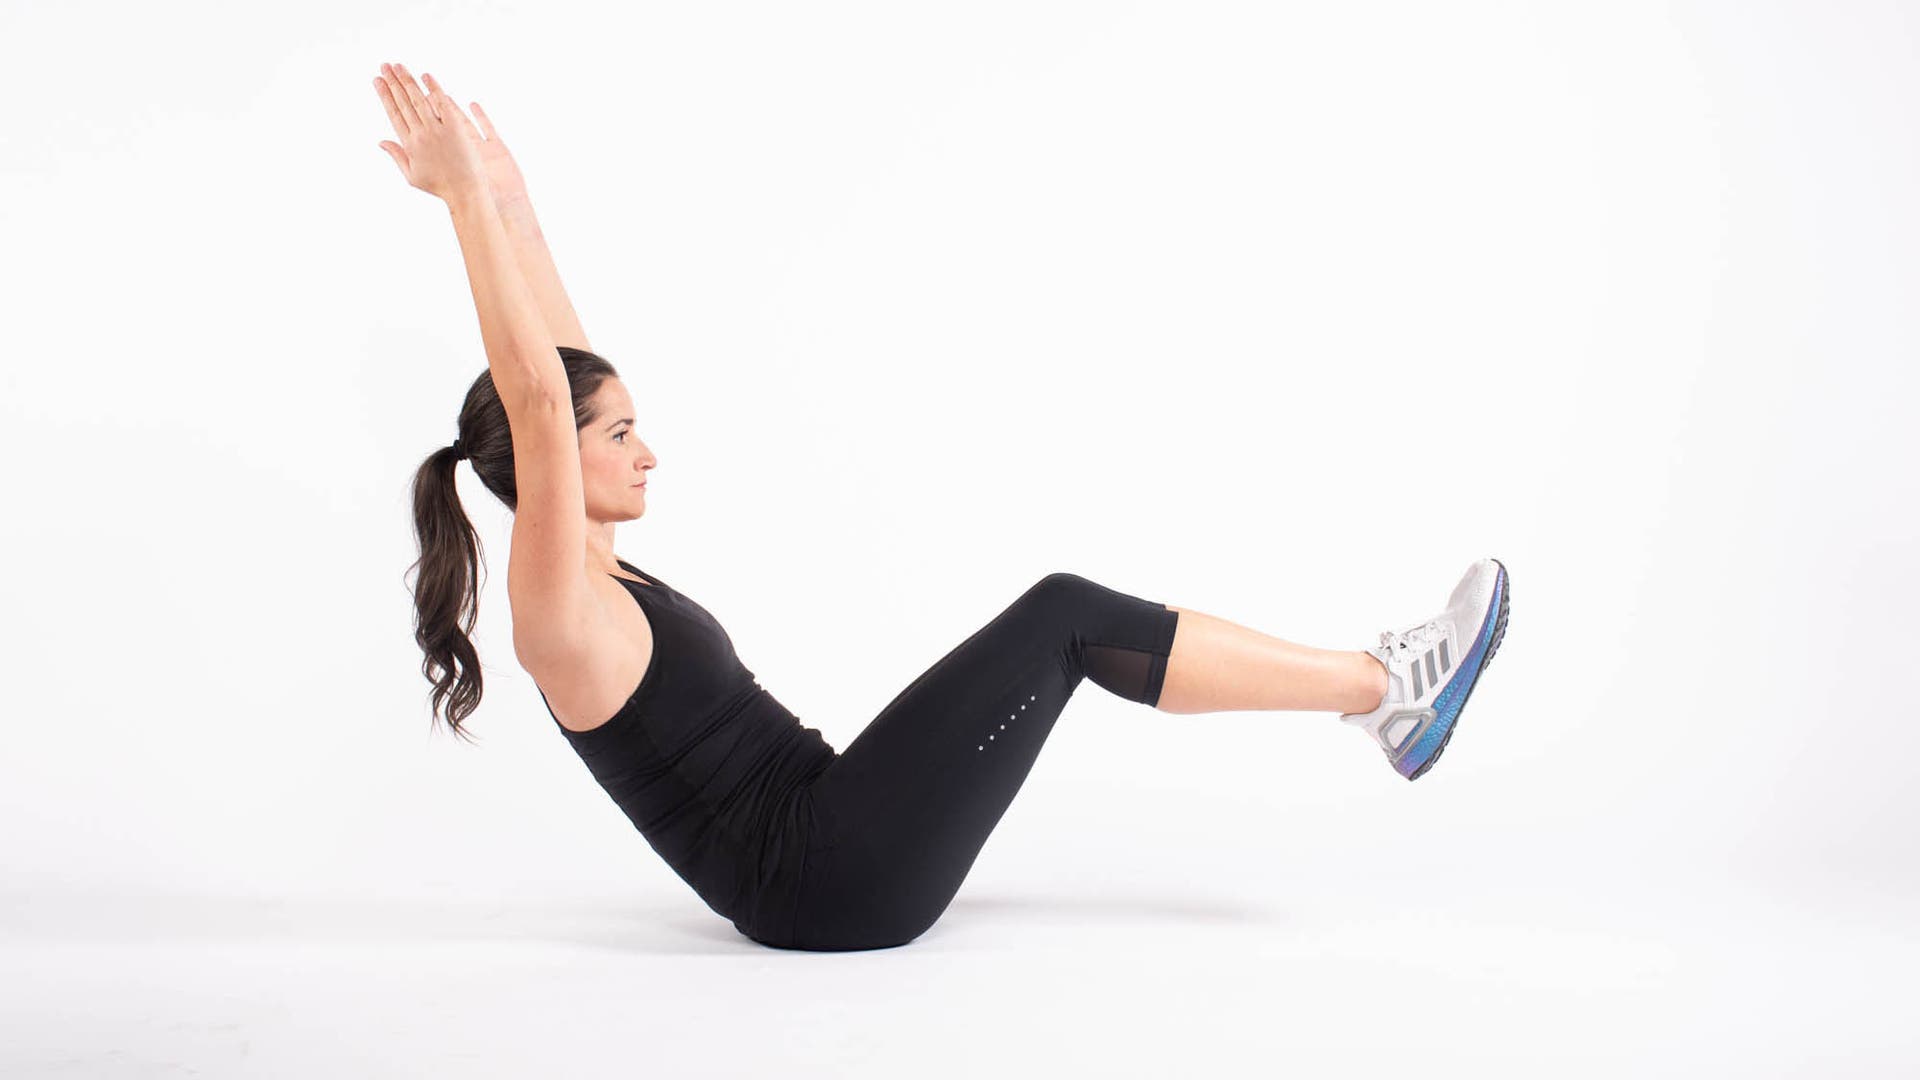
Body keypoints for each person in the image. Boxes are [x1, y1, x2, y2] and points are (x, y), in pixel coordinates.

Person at [375, 62, 1512, 950]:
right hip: (828, 883)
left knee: (1067, 618)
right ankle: (1383, 692)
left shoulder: (597, 568)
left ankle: (1379, 699)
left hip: (834, 831)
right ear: (551, 465)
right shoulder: (554, 600)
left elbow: (561, 369)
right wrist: (463, 205)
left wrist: (515, 205)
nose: (651, 453)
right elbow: (536, 391)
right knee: (1065, 612)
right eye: (620, 436)